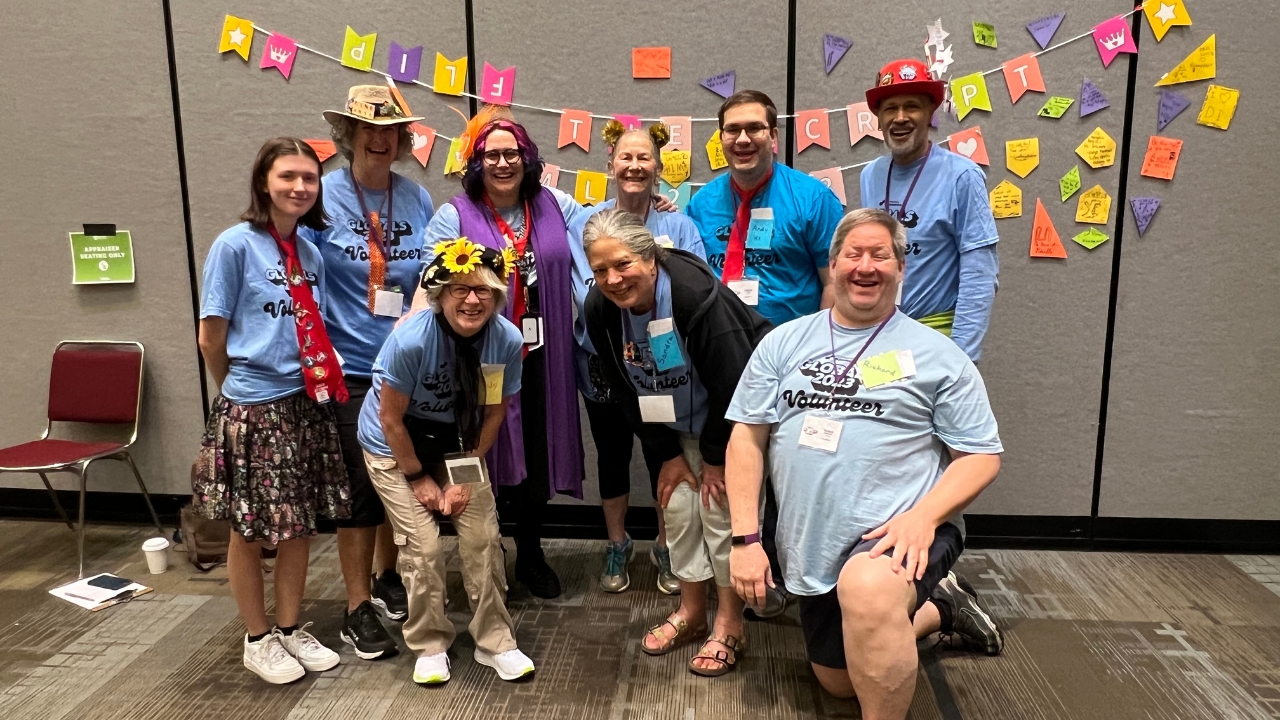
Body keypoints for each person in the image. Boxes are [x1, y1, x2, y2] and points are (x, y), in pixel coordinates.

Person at [724, 209, 1004, 719]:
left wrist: (924, 517)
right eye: (853, 254)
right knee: (839, 683)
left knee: (868, 590)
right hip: (810, 538)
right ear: (832, 265)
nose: (865, 266)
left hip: (902, 526)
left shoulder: (939, 357)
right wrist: (744, 539)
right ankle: (943, 608)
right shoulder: (782, 343)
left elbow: (981, 456)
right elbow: (747, 437)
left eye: (881, 255)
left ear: (901, 268)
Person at [583, 209, 771, 677]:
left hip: (733, 423)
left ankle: (730, 623)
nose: (613, 278)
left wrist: (713, 458)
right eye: (600, 269)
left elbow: (735, 385)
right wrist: (666, 453)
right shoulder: (600, 307)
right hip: (674, 422)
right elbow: (620, 384)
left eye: (623, 264)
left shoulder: (695, 296)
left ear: (650, 260)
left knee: (721, 512)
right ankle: (692, 612)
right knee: (681, 510)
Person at [409, 109, 587, 599]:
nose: (503, 162)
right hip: (484, 355)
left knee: (538, 443)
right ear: (477, 161)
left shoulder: (556, 204)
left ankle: (531, 550)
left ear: (527, 158)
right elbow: (431, 278)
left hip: (545, 353)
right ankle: (491, 551)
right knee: (489, 445)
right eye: (492, 155)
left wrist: (654, 207)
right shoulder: (455, 215)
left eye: (512, 153)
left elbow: (599, 233)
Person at [193, 137, 349, 684]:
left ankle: (287, 628)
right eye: (288, 177)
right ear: (264, 182)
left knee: (300, 525)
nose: (300, 187)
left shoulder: (308, 251)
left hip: (306, 402)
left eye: (309, 178)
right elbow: (211, 337)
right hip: (255, 406)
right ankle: (256, 638)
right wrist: (237, 388)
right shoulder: (234, 246)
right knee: (252, 528)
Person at [686, 89, 845, 616]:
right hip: (722, 360)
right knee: (738, 462)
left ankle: (801, 575)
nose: (743, 139)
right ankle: (750, 574)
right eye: (732, 130)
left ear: (774, 137)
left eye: (755, 128)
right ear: (721, 138)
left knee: (794, 468)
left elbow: (834, 283)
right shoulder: (702, 203)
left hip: (791, 358)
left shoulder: (812, 199)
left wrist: (822, 355)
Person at [359, 239, 535, 685]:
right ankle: (429, 641)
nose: (472, 299)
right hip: (394, 441)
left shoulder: (505, 340)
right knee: (425, 545)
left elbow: (493, 412)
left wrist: (464, 475)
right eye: (459, 289)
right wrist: (419, 479)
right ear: (440, 295)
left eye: (484, 291)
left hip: (455, 438)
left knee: (481, 535)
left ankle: (496, 640)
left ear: (497, 296)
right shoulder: (412, 341)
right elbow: (390, 419)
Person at [304, 83, 435, 661]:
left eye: (391, 131)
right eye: (369, 129)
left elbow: (429, 277)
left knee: (397, 477)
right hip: (349, 366)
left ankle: (388, 577)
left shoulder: (417, 200)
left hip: (405, 362)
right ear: (349, 135)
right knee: (358, 490)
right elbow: (302, 279)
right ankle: (356, 605)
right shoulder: (323, 197)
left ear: (402, 139)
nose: (380, 140)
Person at [568, 120, 707, 595]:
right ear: (610, 165)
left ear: (658, 168)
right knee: (611, 452)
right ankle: (616, 542)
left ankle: (665, 543)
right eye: (624, 157)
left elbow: (697, 289)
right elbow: (581, 284)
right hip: (604, 360)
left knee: (660, 450)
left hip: (665, 365)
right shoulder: (584, 223)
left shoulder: (678, 224)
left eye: (643, 158)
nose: (633, 165)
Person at [860, 58, 1000, 362]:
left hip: (938, 340)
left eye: (911, 106)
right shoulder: (870, 175)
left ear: (929, 113)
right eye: (889, 109)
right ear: (879, 118)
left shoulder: (962, 176)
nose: (900, 118)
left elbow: (980, 273)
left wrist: (962, 357)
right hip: (880, 335)